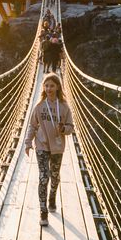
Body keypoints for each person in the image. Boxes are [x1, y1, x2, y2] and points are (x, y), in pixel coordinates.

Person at [25, 73, 74, 226]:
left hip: (58, 147)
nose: (49, 88)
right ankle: (43, 211)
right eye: (46, 86)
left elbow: (71, 128)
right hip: (42, 145)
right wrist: (28, 142)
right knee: (43, 177)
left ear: (58, 87)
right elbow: (32, 125)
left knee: (55, 177)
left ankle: (52, 196)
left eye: (52, 85)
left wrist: (64, 128)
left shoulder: (64, 107)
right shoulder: (39, 106)